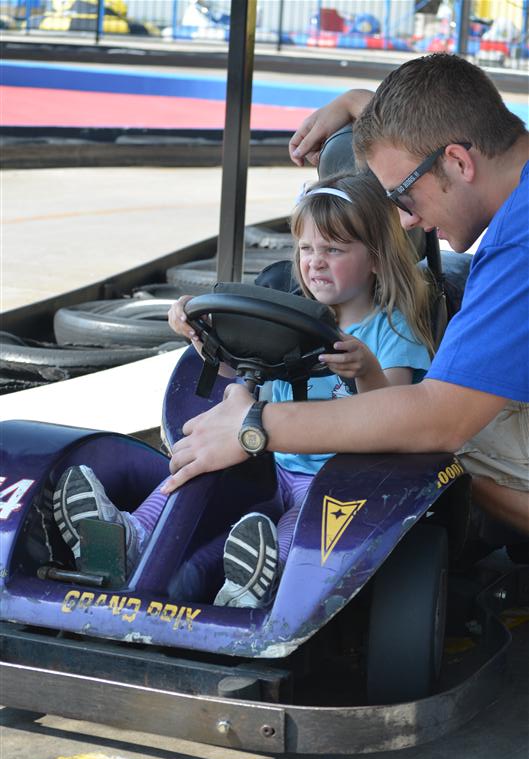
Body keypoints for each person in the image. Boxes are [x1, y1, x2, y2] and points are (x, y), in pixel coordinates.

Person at [163, 54, 529, 541]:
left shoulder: (517, 245)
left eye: (402, 197)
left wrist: (254, 425)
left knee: (428, 453)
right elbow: (441, 123)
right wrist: (359, 103)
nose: (407, 221)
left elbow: (440, 420)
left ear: (459, 163)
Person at [53, 172, 432, 602]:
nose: (315, 262)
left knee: (302, 522)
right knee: (203, 463)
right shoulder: (291, 316)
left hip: (339, 480)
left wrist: (366, 370)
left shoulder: (393, 330)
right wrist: (200, 332)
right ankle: (132, 535)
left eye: (333, 249)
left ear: (376, 259)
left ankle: (259, 584)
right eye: (306, 249)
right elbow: (236, 373)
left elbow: (394, 415)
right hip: (268, 459)